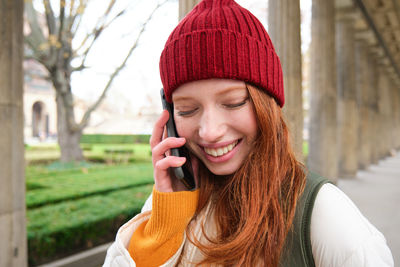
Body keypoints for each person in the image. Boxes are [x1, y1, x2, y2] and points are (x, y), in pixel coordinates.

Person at [104, 0, 394, 266]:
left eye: (233, 103)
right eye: (188, 110)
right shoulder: (166, 205)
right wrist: (164, 226)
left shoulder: (324, 214)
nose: (210, 131)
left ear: (267, 104)